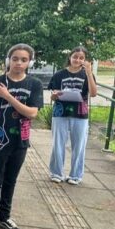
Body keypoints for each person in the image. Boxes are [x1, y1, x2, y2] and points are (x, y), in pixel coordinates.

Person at [0, 44, 44, 229]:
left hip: (20, 140)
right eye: (15, 59)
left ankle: (5, 216)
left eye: (24, 60)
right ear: (8, 59)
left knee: (11, 180)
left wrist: (8, 96)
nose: (19, 63)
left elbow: (32, 113)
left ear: (29, 62)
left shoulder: (34, 84)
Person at [48, 46, 97, 185]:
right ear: (70, 57)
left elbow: (93, 93)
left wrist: (89, 73)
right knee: (58, 144)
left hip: (80, 114)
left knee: (79, 145)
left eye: (81, 58)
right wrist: (55, 95)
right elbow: (53, 97)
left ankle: (75, 175)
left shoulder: (87, 74)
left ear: (85, 60)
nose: (77, 60)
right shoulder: (59, 75)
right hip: (60, 112)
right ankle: (56, 173)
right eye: (75, 56)